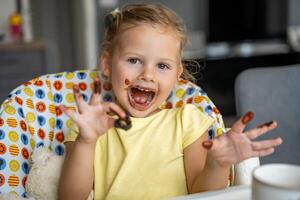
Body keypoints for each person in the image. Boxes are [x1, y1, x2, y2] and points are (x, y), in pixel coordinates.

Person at [58, 3, 282, 200]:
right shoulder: (89, 126)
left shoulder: (188, 121)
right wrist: (86, 141)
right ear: (107, 64)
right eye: (134, 60)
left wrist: (217, 164)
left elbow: (202, 195)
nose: (148, 74)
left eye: (162, 66)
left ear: (177, 75)